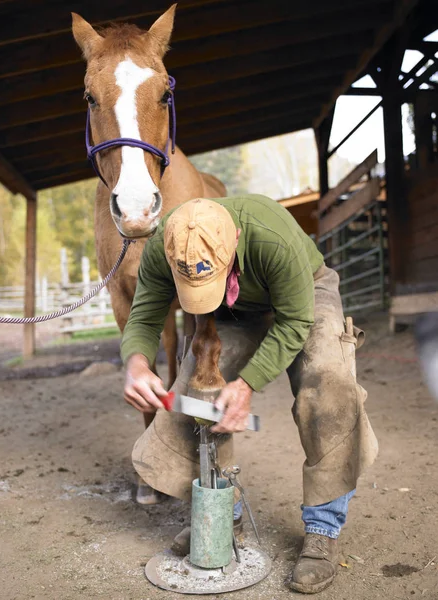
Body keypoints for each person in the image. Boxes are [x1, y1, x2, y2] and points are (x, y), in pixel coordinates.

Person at [121, 195, 378, 594]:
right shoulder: (164, 245)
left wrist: (248, 384)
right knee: (199, 387)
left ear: (236, 239)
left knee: (328, 382)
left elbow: (294, 322)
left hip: (304, 293)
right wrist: (136, 362)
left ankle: (322, 529)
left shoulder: (270, 236)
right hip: (230, 305)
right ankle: (224, 518)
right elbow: (146, 312)